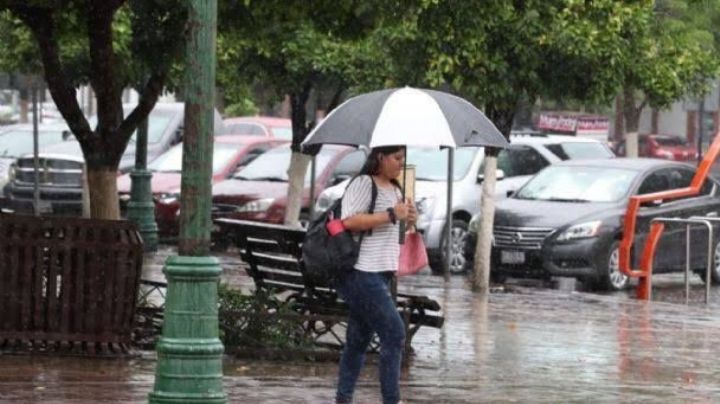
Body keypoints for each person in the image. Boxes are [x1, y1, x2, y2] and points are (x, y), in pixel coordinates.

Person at [335, 145, 417, 404]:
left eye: (403, 159)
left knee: (358, 340)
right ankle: (391, 400)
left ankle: (343, 398)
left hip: (382, 272)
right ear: (380, 157)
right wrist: (392, 214)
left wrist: (410, 218)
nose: (400, 164)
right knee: (394, 333)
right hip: (361, 272)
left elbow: (398, 232)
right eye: (396, 158)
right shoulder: (363, 183)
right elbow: (349, 221)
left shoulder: (396, 189)